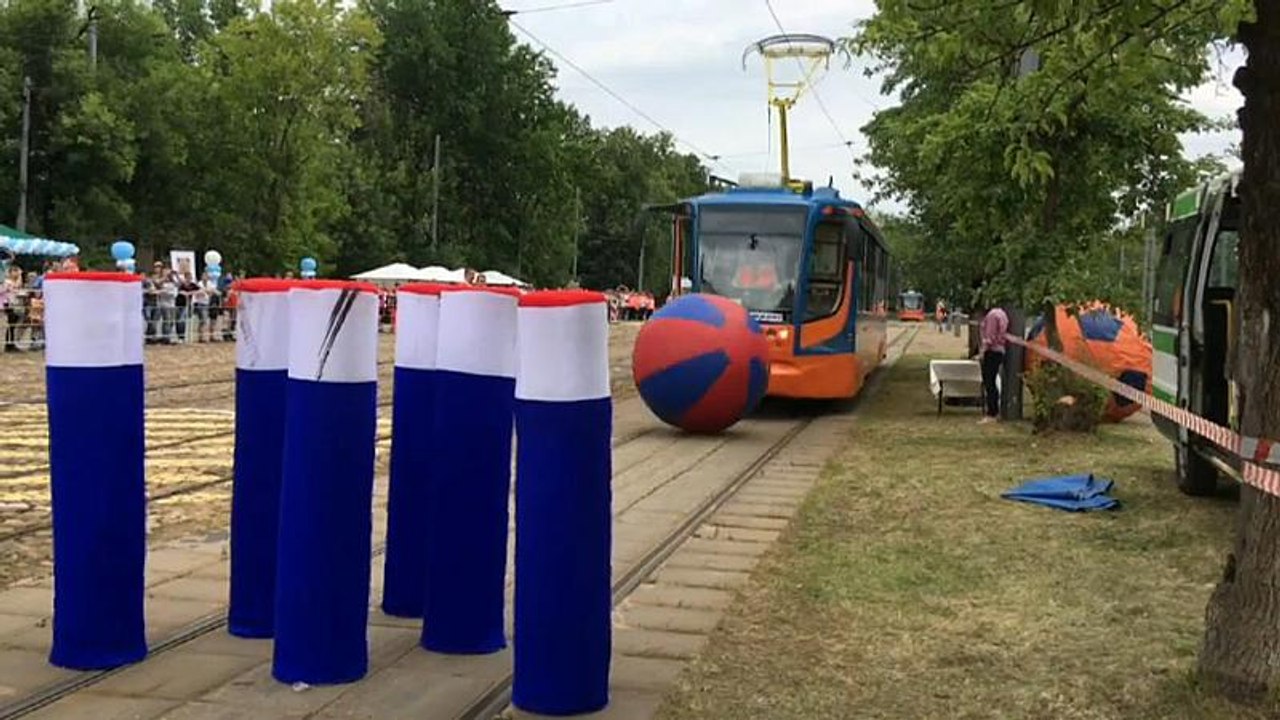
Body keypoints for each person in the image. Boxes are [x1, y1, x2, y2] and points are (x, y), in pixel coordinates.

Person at [976, 305, 1009, 424]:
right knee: (992, 381)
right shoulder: (1002, 314)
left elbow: (989, 337)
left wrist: (982, 352)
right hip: (1000, 350)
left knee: (989, 382)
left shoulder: (991, 316)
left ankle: (992, 413)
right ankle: (994, 411)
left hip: (992, 351)